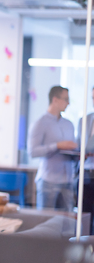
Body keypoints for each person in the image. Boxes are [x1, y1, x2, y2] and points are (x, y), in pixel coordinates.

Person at [28, 86, 77, 211]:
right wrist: (57, 146)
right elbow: (32, 151)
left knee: (67, 224)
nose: (68, 103)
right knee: (46, 223)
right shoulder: (40, 123)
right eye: (66, 99)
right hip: (48, 181)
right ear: (55, 99)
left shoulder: (69, 124)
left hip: (68, 181)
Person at [76, 87, 94, 233]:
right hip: (86, 173)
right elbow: (77, 146)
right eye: (93, 98)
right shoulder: (84, 120)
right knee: (85, 214)